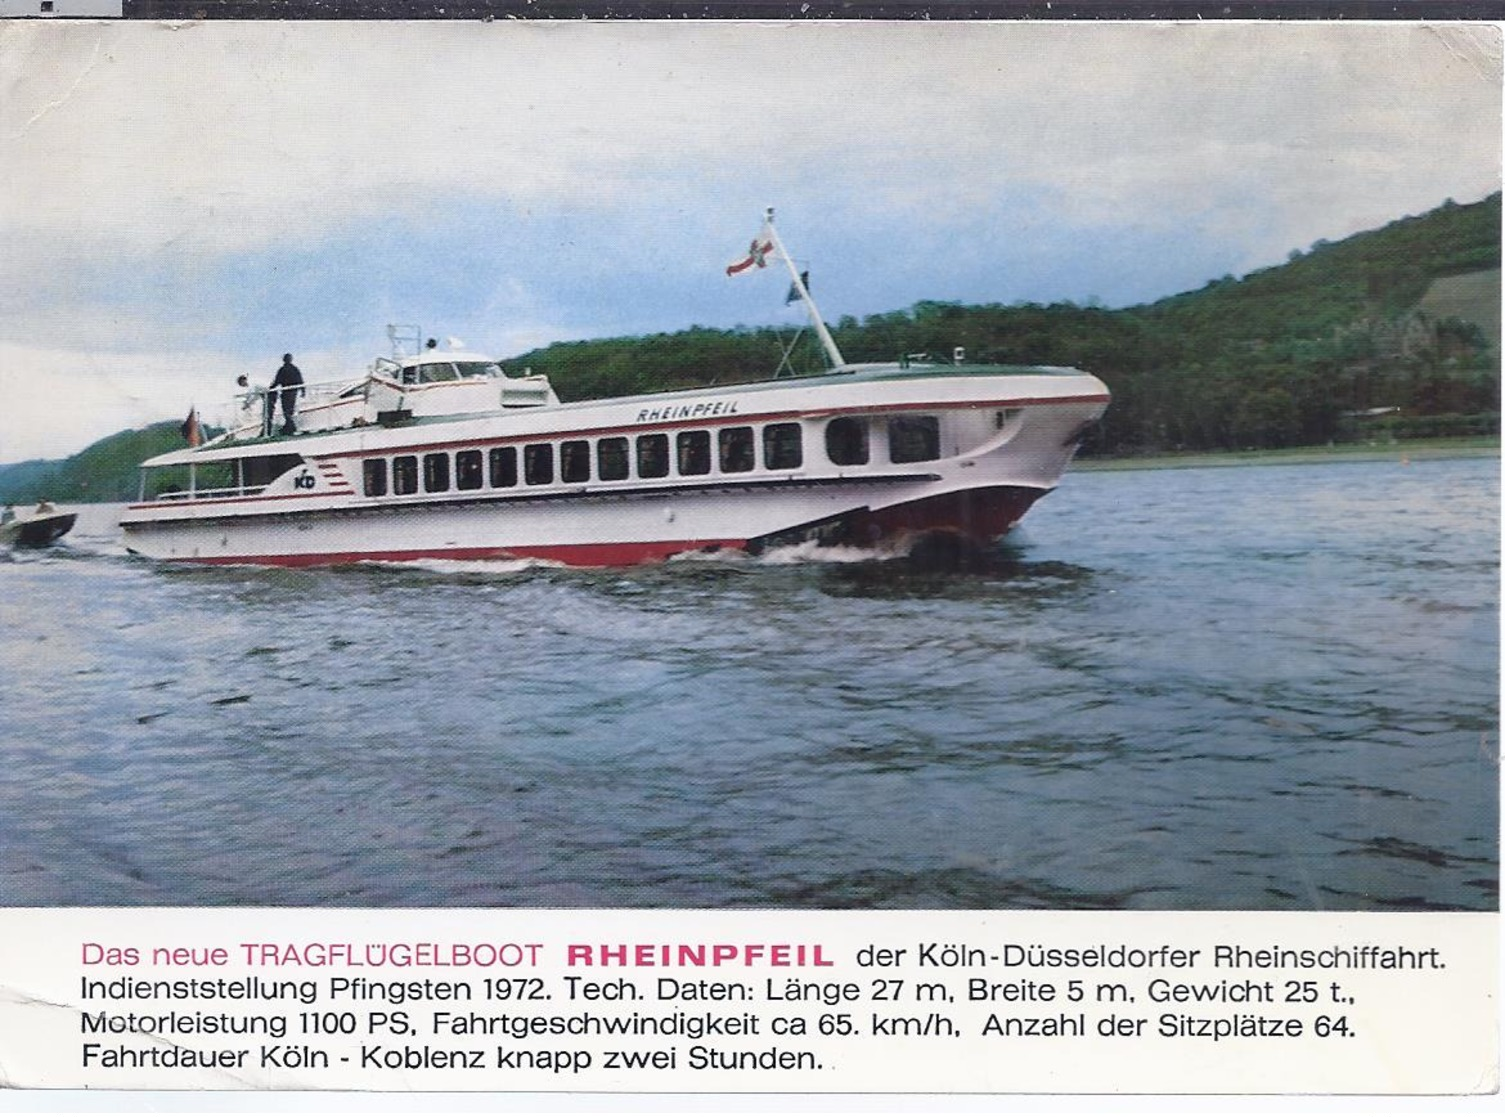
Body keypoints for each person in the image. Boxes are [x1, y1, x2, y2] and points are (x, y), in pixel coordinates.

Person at [270, 354, 305, 435]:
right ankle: (289, 427)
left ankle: (291, 427)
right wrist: (303, 391)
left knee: (287, 411)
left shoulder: (283, 369)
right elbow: (300, 381)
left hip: (288, 392)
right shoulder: (293, 369)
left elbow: (277, 381)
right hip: (291, 392)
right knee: (288, 411)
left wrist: (271, 388)